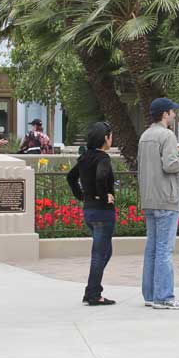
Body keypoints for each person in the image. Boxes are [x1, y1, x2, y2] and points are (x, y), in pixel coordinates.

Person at [138, 98, 179, 310]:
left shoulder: (145, 136)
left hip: (149, 198)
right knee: (164, 250)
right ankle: (164, 296)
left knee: (152, 248)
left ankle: (150, 294)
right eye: (173, 111)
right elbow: (170, 166)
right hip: (166, 200)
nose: (175, 115)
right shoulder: (167, 135)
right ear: (165, 114)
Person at [67, 121, 117, 306]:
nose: (112, 139)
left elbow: (71, 177)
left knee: (105, 251)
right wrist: (105, 196)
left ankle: (91, 289)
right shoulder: (103, 158)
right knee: (100, 253)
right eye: (111, 136)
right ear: (105, 138)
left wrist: (82, 195)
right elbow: (101, 176)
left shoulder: (85, 157)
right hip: (103, 212)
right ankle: (94, 293)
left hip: (89, 210)